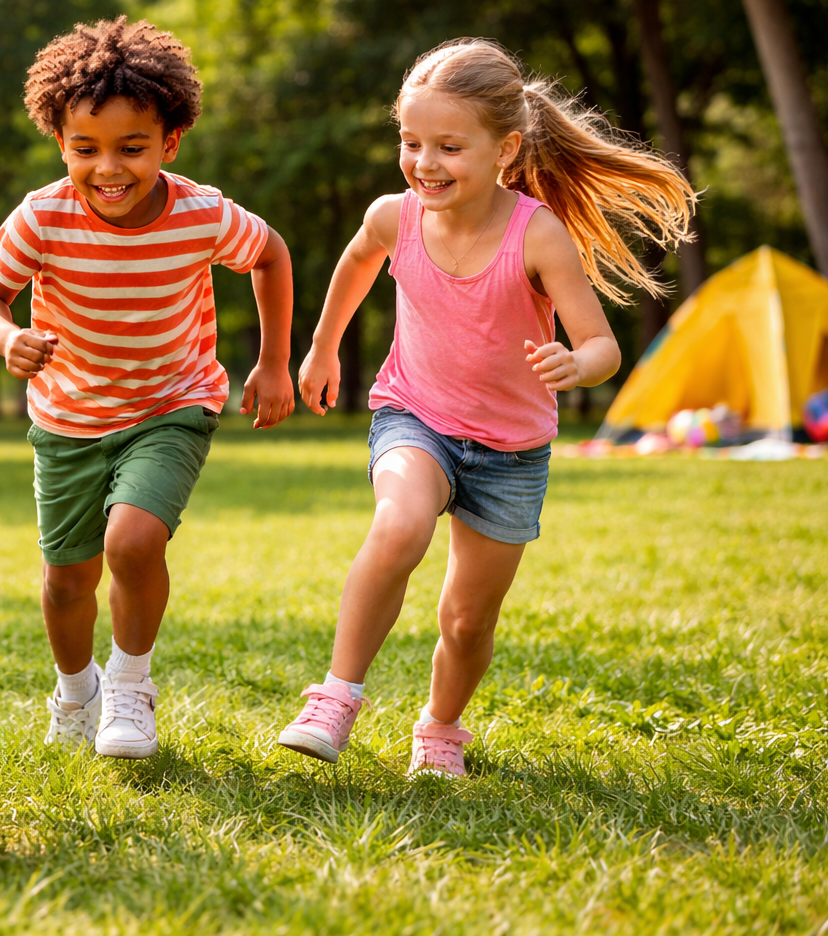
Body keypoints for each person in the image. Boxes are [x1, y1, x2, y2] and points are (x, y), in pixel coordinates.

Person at [275, 39, 695, 777]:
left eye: (448, 146)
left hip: (510, 451)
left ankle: (440, 728)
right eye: (411, 143)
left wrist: (577, 364)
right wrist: (322, 347)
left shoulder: (538, 234)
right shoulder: (394, 218)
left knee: (467, 621)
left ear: (505, 149)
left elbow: (602, 345)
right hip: (415, 415)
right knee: (398, 525)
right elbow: (357, 262)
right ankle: (335, 698)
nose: (424, 163)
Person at [0, 17, 294, 760]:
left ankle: (130, 686)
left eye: (131, 148)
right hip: (69, 417)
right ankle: (75, 691)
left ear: (170, 143)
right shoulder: (42, 216)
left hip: (171, 404)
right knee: (66, 581)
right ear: (61, 143)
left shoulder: (201, 213)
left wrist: (274, 362)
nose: (107, 168)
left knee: (134, 540)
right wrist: (8, 338)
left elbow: (271, 254)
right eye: (86, 148)